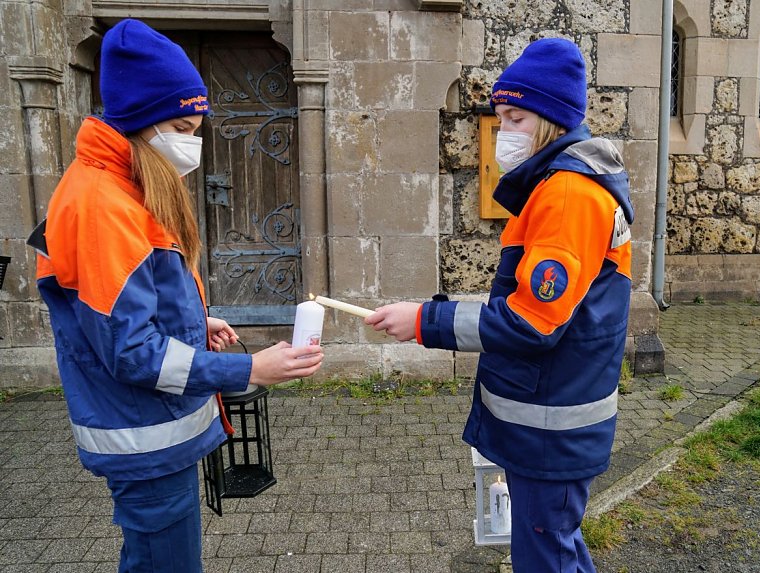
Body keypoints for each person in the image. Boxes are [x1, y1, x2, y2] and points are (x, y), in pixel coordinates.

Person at [28, 18, 323, 573]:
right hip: (143, 436)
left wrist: (195, 324)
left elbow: (130, 306)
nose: (193, 145)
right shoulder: (104, 206)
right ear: (143, 121)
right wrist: (248, 369)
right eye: (184, 127)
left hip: (152, 431)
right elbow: (132, 351)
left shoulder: (119, 186)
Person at [366, 38, 633, 573]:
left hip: (551, 425)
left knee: (545, 556)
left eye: (514, 118)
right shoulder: (557, 187)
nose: (501, 132)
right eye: (501, 117)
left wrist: (424, 320)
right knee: (553, 546)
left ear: (550, 122)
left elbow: (530, 324)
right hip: (548, 415)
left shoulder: (566, 195)